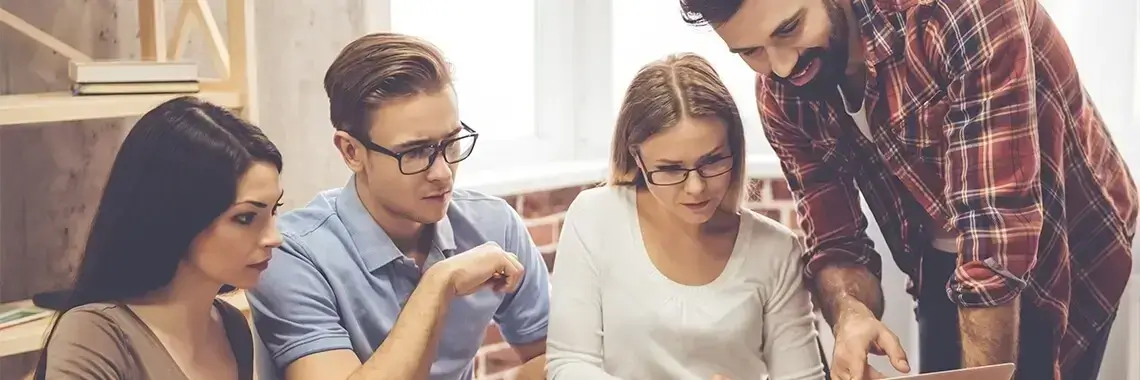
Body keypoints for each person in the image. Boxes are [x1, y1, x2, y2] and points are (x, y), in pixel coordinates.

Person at [678, 0, 1138, 379]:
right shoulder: (781, 96)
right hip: (940, 254)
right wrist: (850, 312)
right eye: (750, 51)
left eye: (790, 28)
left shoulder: (958, 11)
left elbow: (994, 225)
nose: (781, 66)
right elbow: (836, 243)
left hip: (1066, 232)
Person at [246, 32, 551, 380]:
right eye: (415, 152)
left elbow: (559, 360)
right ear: (351, 152)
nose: (442, 173)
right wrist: (439, 283)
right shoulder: (292, 253)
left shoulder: (493, 225)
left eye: (452, 143)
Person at [545, 53, 826, 380]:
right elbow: (569, 364)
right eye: (670, 169)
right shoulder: (594, 218)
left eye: (713, 161)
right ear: (637, 158)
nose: (696, 187)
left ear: (734, 149)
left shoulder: (776, 250)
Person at [34, 96, 285, 380]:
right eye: (245, 218)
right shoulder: (95, 336)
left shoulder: (232, 327)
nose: (274, 238)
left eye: (275, 209)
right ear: (178, 215)